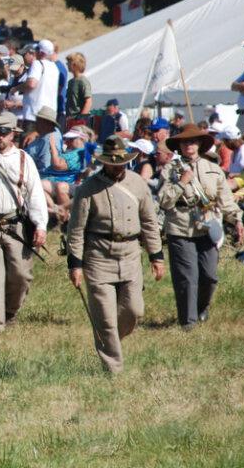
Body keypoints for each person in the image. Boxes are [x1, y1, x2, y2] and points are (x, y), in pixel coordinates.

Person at [66, 135, 164, 373]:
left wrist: (156, 256)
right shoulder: (88, 189)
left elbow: (150, 222)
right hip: (98, 257)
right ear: (104, 162)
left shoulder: (138, 184)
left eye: (120, 162)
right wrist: (75, 265)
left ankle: (110, 341)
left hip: (130, 254)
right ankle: (114, 369)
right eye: (112, 162)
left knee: (134, 310)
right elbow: (76, 230)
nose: (117, 166)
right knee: (105, 318)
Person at [158, 124, 242, 329]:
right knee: (187, 277)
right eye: (185, 141)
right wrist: (181, 183)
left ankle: (201, 308)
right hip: (180, 225)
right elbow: (163, 200)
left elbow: (225, 199)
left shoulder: (213, 169)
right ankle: (188, 322)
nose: (189, 144)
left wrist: (237, 219)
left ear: (199, 144)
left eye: (193, 141)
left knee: (209, 276)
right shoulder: (171, 169)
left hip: (208, 225)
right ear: (179, 145)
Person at [0, 111, 48, 332]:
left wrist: (41, 225)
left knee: (21, 275)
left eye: (3, 133)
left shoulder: (24, 159)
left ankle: (9, 312)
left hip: (15, 225)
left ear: (12, 135)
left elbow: (35, 194)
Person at [14, 41, 59, 129]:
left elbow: (31, 84)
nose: (35, 52)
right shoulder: (55, 67)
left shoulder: (37, 64)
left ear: (41, 52)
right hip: (49, 115)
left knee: (28, 140)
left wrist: (16, 88)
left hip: (34, 114)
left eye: (36, 49)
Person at [65, 52, 92, 125]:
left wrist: (81, 118)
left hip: (78, 120)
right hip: (70, 119)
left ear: (74, 65)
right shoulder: (71, 82)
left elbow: (88, 101)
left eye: (68, 63)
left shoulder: (83, 81)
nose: (67, 65)